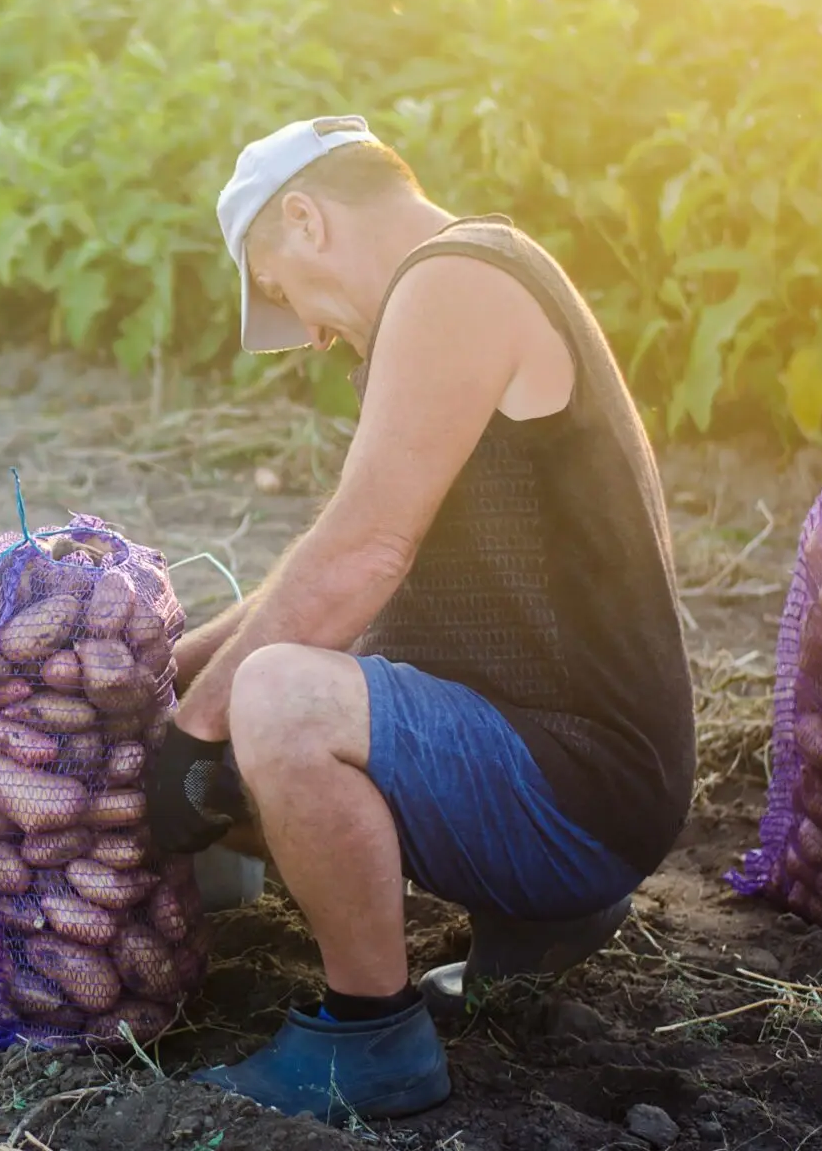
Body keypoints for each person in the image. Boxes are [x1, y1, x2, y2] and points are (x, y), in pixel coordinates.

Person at [146, 115, 697, 1123]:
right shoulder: (463, 283)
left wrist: (194, 731)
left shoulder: (454, 285)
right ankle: (532, 927)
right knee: (250, 675)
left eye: (280, 292)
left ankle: (371, 1038)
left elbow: (360, 553)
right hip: (573, 770)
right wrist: (171, 669)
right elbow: (341, 572)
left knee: (277, 699)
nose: (305, 331)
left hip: (584, 789)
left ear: (306, 220)